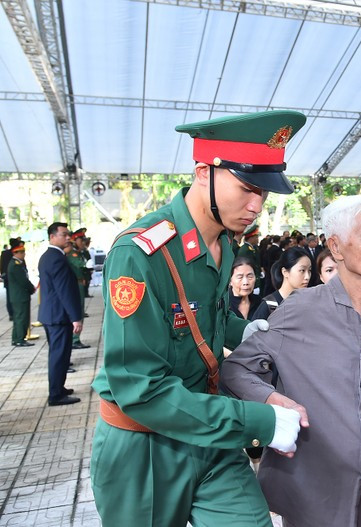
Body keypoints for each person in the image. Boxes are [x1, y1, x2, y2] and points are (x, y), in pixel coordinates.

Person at [90, 110, 307, 527]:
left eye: (264, 193)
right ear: (204, 171)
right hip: (145, 450)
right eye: (247, 188)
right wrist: (258, 421)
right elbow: (140, 389)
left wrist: (247, 329)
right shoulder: (140, 255)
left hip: (209, 432)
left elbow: (203, 317)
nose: (255, 206)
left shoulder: (224, 243)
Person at [221, 195, 361, 527]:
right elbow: (236, 369)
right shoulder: (301, 310)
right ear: (336, 247)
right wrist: (274, 402)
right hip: (318, 495)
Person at [39, 222, 83, 406]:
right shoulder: (56, 258)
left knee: (59, 354)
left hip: (51, 314)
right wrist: (75, 317)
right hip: (59, 315)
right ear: (52, 236)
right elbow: (64, 290)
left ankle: (59, 387)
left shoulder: (48, 256)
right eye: (64, 234)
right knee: (59, 355)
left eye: (68, 234)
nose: (68, 238)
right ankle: (56, 395)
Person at [251, 246, 311, 320]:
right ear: (285, 272)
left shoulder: (308, 302)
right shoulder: (269, 306)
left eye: (309, 270)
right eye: (302, 270)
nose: (307, 277)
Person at [7, 241, 36, 347]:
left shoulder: (18, 264)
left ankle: (16, 338)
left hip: (18, 296)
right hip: (20, 296)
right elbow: (23, 281)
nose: (23, 254)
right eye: (21, 252)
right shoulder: (15, 265)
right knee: (22, 318)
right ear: (15, 253)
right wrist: (31, 288)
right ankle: (20, 339)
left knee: (18, 317)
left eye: (23, 251)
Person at [66, 229, 90, 349]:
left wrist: (84, 248)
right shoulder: (72, 253)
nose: (83, 242)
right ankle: (74, 339)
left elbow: (86, 259)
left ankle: (76, 338)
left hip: (80, 283)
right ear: (75, 240)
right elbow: (83, 264)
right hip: (76, 284)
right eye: (81, 240)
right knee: (77, 311)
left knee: (80, 310)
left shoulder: (79, 252)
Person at [237, 224, 262, 291]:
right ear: (251, 238)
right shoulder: (245, 250)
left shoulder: (251, 248)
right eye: (256, 237)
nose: (257, 239)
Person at [1, 237, 20, 321]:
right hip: (14, 278)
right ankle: (15, 312)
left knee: (9, 296)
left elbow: (1, 265)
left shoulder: (4, 253)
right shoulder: (16, 252)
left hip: (6, 277)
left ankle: (11, 314)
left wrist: (2, 274)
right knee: (16, 295)